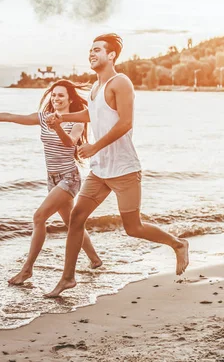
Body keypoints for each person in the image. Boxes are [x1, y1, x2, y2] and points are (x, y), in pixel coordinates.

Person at [45, 33, 189, 298]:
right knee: (76, 218)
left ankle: (177, 243)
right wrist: (63, 116)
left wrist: (94, 147)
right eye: (90, 50)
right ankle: (67, 278)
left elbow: (125, 123)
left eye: (97, 50)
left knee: (133, 228)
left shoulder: (120, 82)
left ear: (111, 55)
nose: (92, 54)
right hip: (100, 170)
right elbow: (92, 114)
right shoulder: (95, 87)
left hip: (124, 168)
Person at [0, 79, 102, 285]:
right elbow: (11, 117)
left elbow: (69, 142)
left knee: (39, 217)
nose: (56, 98)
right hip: (52, 179)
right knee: (72, 223)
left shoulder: (77, 121)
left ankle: (27, 270)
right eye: (53, 95)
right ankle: (95, 260)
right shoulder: (44, 118)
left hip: (69, 178)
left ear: (70, 99)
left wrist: (58, 125)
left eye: (61, 95)